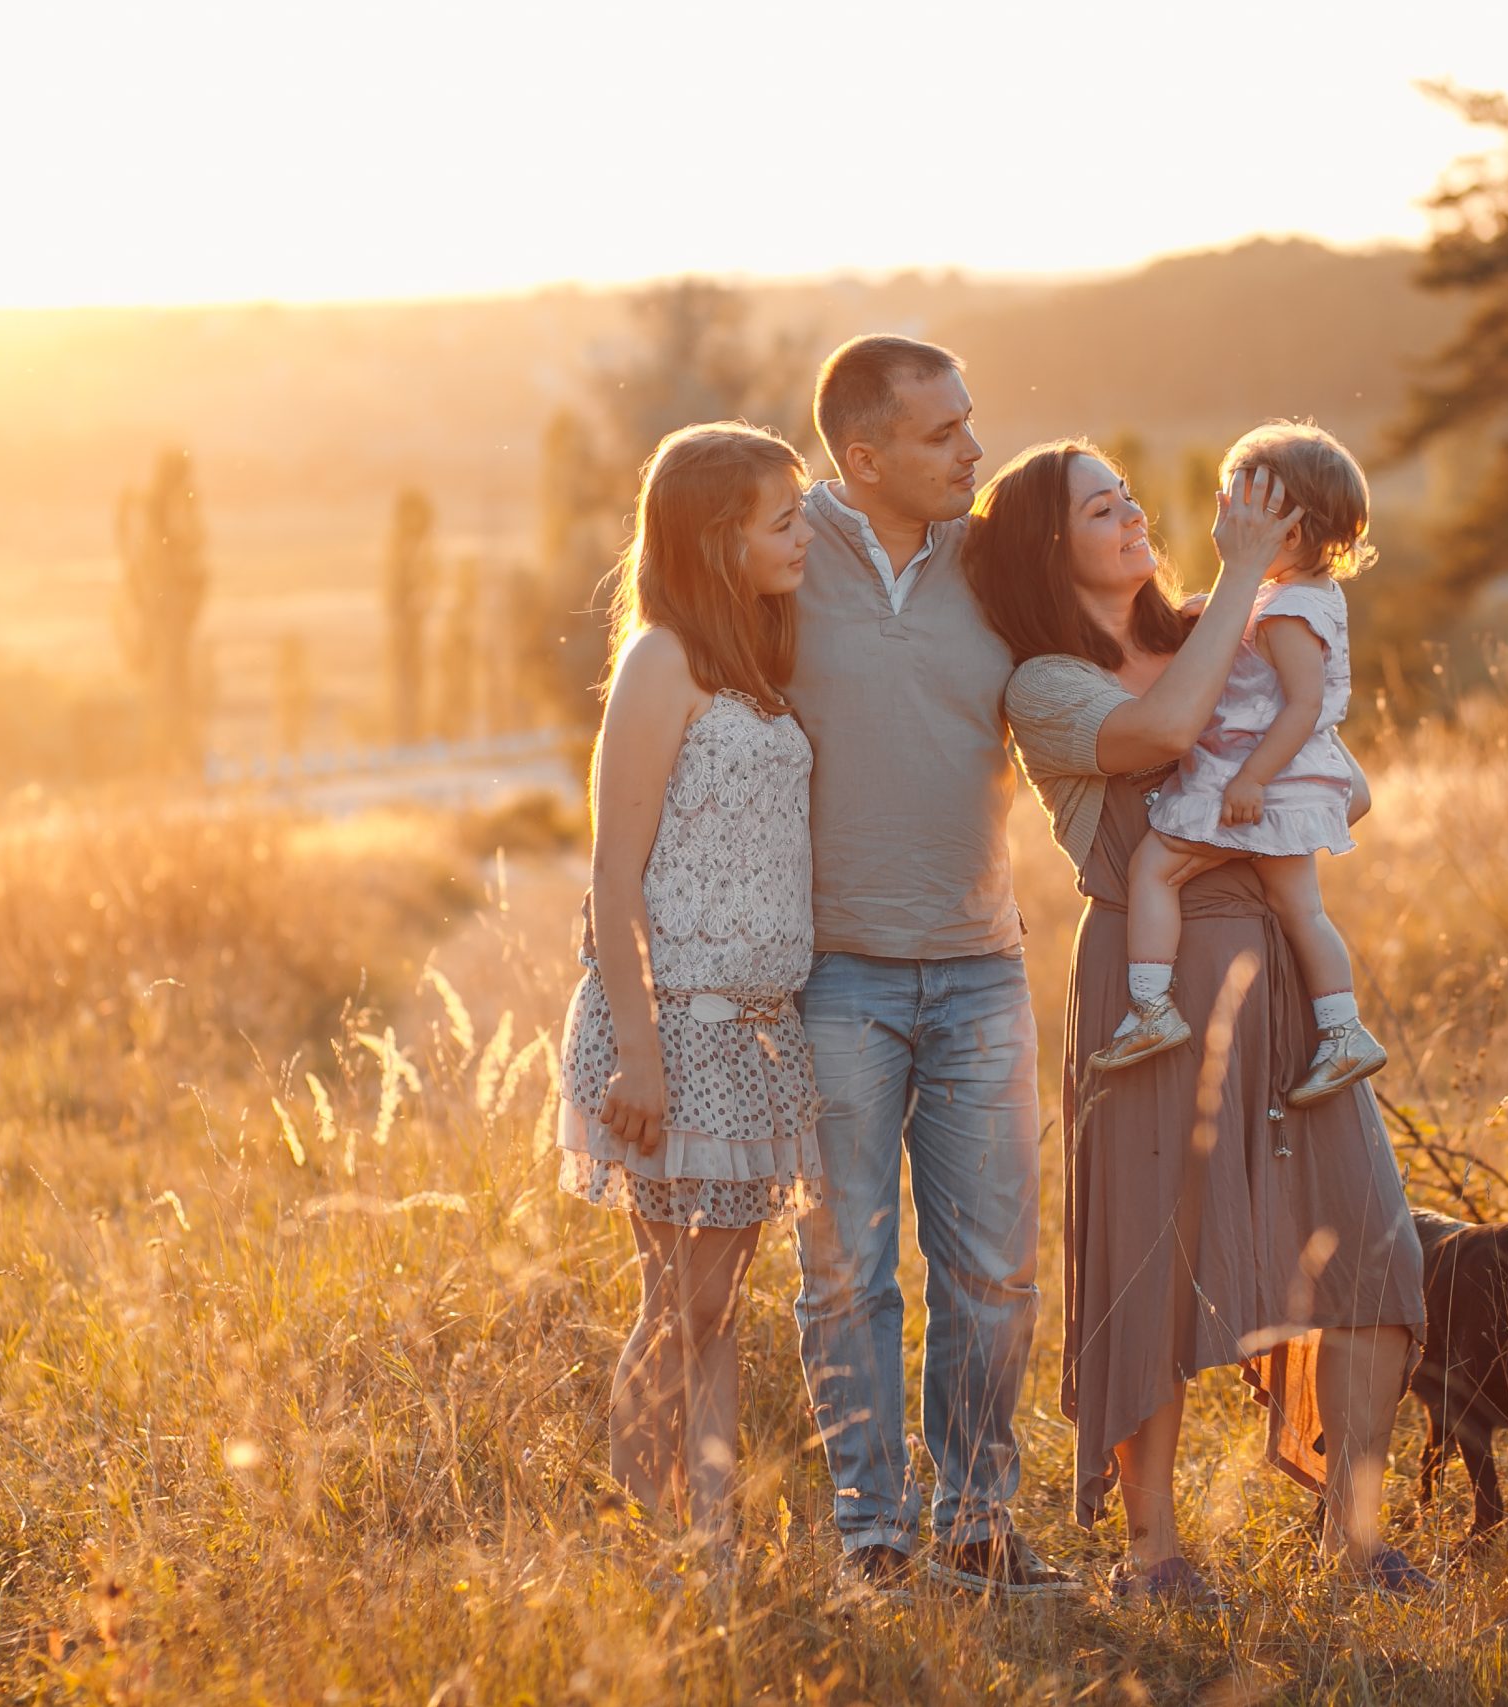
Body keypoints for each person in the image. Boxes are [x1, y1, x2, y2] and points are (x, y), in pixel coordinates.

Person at [968, 439, 1432, 1605]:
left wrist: (1297, 771)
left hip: (1276, 960)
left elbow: (1342, 767)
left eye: (1128, 494)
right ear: (1047, 545)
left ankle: (1356, 1531)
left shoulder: (1207, 628)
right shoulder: (1043, 684)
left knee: (1371, 1232)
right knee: (1152, 1260)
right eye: (1099, 505)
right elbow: (1168, 736)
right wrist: (1241, 576)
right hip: (1149, 981)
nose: (1131, 513)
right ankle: (1154, 1554)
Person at [785, 336, 1067, 1600]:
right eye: (944, 433)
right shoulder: (782, 554)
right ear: (865, 457)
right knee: (846, 1268)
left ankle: (977, 1521)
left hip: (979, 973)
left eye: (971, 423)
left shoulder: (997, 558)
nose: (972, 450)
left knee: (995, 1273)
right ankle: (874, 1537)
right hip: (832, 975)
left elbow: (1116, 643)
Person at [553, 422, 823, 1570]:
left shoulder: (755, 662)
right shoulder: (659, 662)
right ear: (719, 537)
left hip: (758, 1039)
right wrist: (641, 1056)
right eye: (784, 518)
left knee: (716, 1311)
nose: (803, 536)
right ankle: (631, 1536)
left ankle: (714, 1546)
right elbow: (613, 873)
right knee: (683, 1305)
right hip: (668, 1033)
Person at [1092, 422, 1388, 1109]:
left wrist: (1251, 779)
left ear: (1285, 532)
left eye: (1237, 507)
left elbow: (1304, 705)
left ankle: (1150, 1005)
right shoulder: (1297, 597)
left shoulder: (1285, 614)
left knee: (1154, 866)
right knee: (1301, 908)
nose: (1223, 516)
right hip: (1289, 784)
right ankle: (1343, 1031)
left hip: (1259, 784)